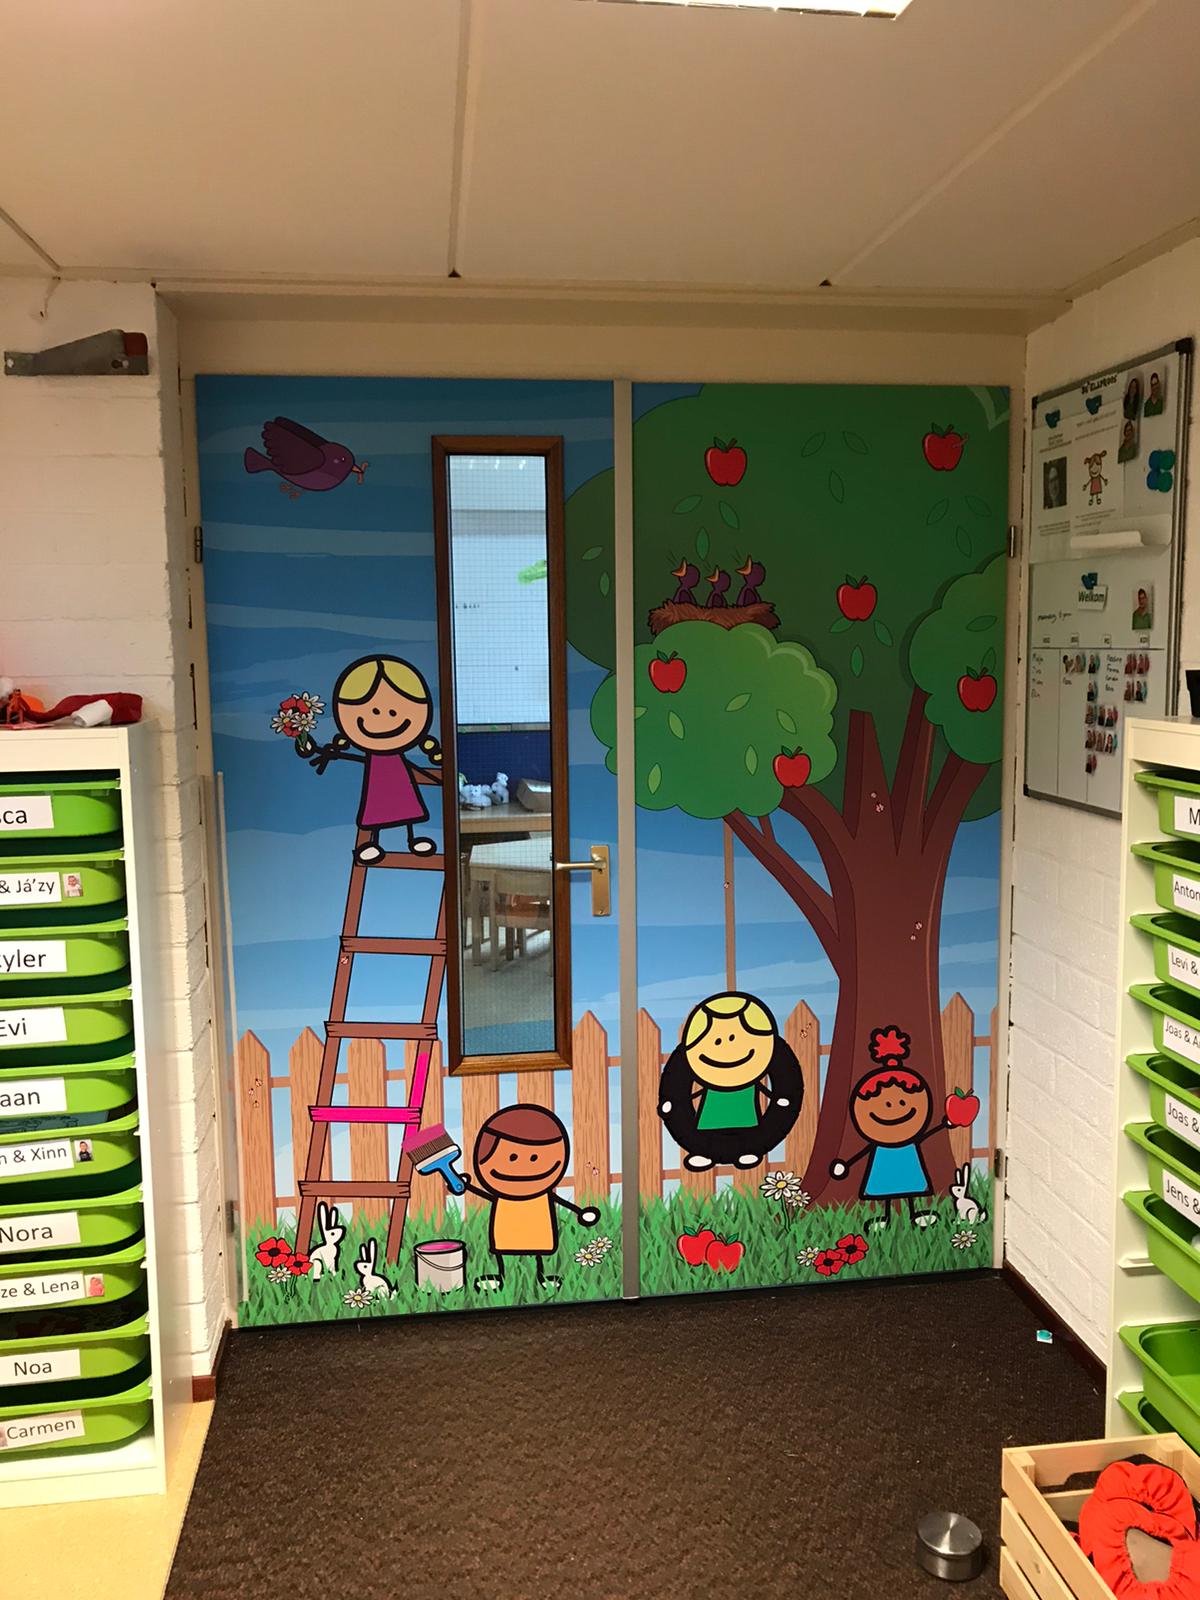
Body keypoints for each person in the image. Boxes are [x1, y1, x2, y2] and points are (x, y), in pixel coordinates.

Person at [830, 1024, 976, 1230]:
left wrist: (947, 1123)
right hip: (884, 1158)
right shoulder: (878, 1141)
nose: (894, 1109)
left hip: (907, 1156)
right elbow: (863, 1151)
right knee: (886, 1189)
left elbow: (927, 1134)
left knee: (910, 1186)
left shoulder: (911, 1136)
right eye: (886, 1104)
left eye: (902, 1102)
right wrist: (846, 1164)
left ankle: (915, 1214)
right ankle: (887, 1217)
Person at [306, 655, 442, 863]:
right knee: (377, 810)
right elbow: (346, 754)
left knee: (407, 806)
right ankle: (374, 843)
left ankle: (412, 839)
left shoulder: (402, 752)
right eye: (374, 711)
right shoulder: (369, 754)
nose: (383, 718)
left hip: (400, 778)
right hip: (377, 781)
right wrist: (324, 750)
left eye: (394, 711)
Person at [452, 1105, 599, 1293]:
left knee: (538, 1252)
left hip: (537, 1222)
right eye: (512, 1157)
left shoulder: (541, 1193)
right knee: (503, 1251)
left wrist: (581, 1212)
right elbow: (485, 1195)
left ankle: (540, 1277)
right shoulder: (504, 1195)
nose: (524, 1165)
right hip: (506, 1220)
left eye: (535, 1158)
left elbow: (561, 1202)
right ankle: (502, 1276)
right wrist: (465, 1186)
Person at [657, 991, 802, 1171]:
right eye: (717, 1040)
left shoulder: (752, 1069)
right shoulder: (707, 1072)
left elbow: (785, 1095)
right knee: (709, 1121)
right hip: (708, 1121)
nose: (726, 1045)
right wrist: (671, 1105)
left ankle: (749, 1149)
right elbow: (676, 1095)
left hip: (747, 1120)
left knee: (746, 1121)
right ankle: (703, 1151)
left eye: (733, 1038)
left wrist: (783, 1100)